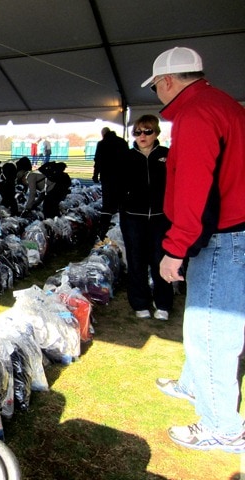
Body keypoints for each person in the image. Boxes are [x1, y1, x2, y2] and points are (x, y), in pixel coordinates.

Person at [143, 46, 245, 453]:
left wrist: (175, 248)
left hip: (223, 236)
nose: (157, 94)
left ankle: (223, 427)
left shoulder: (196, 114)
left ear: (167, 81)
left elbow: (193, 186)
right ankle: (192, 384)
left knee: (210, 329)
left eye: (156, 87)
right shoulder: (222, 104)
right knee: (206, 321)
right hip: (230, 232)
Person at [119, 114, 172, 320]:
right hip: (133, 218)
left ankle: (163, 303)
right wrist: (123, 205)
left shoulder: (166, 155)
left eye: (147, 131)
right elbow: (116, 185)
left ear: (156, 133)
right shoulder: (127, 157)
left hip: (161, 218)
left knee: (160, 259)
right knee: (136, 260)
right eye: (138, 132)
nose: (142, 136)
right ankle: (140, 303)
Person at [92, 127, 129, 238]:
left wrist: (95, 174)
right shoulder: (122, 142)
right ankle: (121, 227)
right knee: (121, 202)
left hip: (107, 177)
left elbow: (97, 160)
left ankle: (104, 228)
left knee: (107, 203)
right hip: (121, 178)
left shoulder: (102, 144)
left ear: (103, 134)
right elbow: (128, 159)